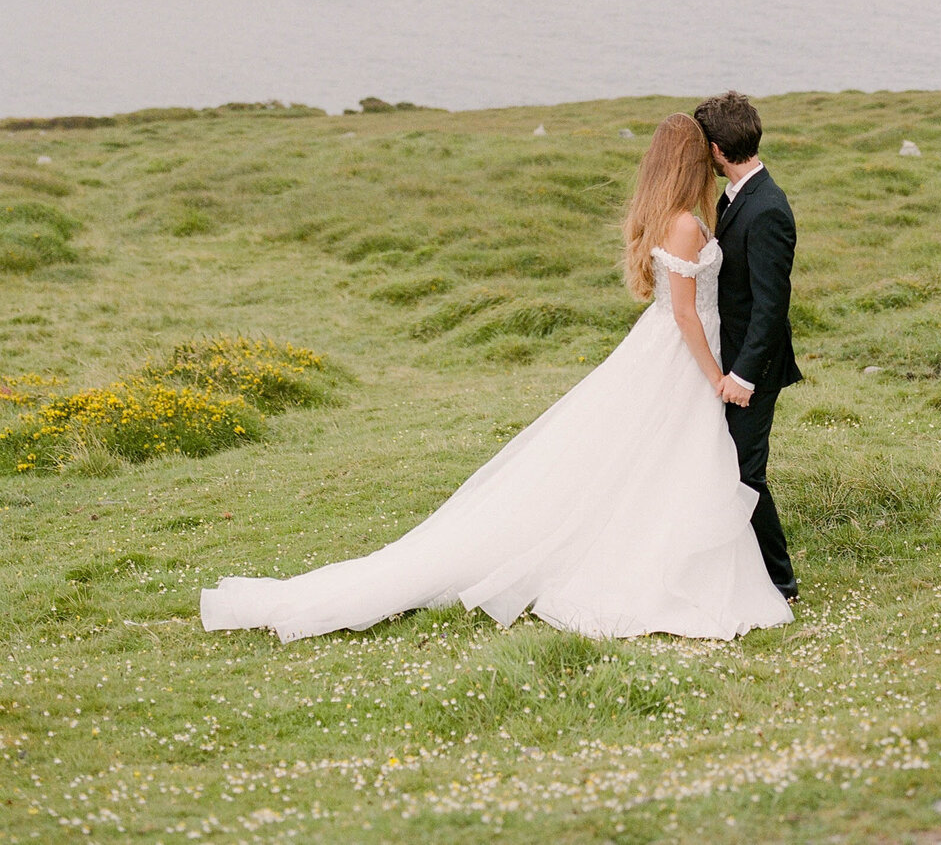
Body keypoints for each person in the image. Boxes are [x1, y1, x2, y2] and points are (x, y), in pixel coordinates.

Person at [200, 113, 792, 643]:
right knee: (671, 456)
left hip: (667, 348)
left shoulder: (674, 214)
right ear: (699, 161)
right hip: (684, 352)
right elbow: (687, 312)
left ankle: (684, 553)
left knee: (663, 459)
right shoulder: (687, 224)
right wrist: (717, 375)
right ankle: (669, 565)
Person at [694, 91, 802, 600]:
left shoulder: (766, 210)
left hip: (751, 368)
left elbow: (770, 307)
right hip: (728, 356)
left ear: (717, 149)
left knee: (746, 473)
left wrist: (742, 376)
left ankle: (780, 579)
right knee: (726, 465)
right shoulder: (736, 196)